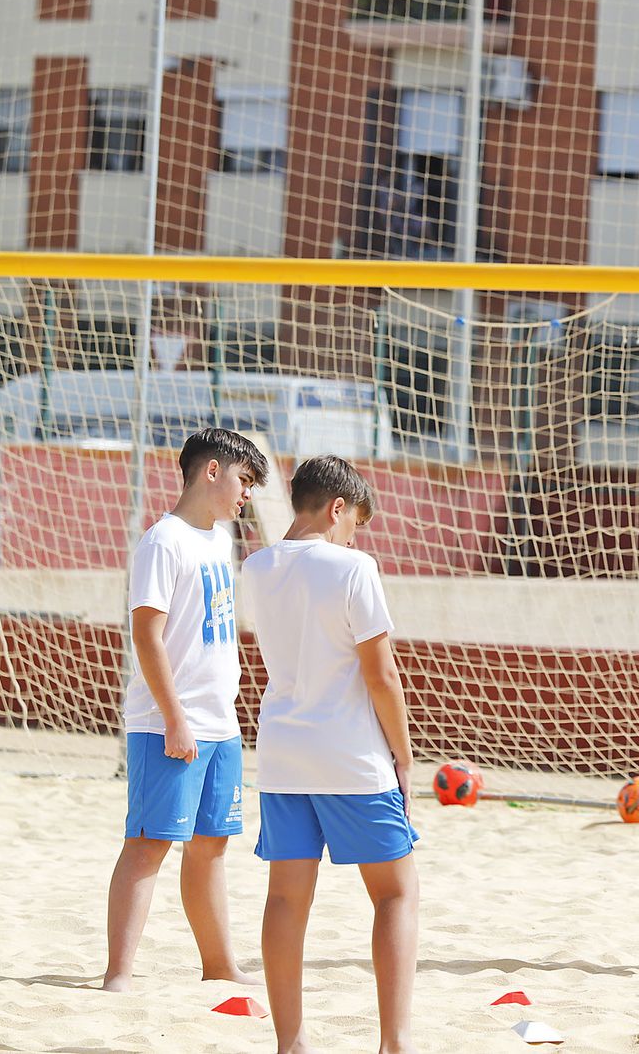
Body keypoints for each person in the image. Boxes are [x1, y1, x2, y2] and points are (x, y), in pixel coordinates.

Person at [244, 456, 419, 1054]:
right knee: (395, 893)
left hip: (282, 755)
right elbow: (382, 676)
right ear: (337, 507)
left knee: (284, 899)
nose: (355, 537)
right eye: (354, 523)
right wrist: (404, 755)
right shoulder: (353, 567)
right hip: (352, 757)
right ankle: (394, 1044)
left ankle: (290, 1045)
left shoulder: (257, 566)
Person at [102, 427, 269, 992]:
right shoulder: (163, 541)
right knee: (149, 844)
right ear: (211, 471)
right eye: (244, 480)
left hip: (221, 724)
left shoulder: (221, 540)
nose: (247, 493)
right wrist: (175, 718)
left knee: (211, 847)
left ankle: (219, 965)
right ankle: (118, 974)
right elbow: (146, 636)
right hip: (167, 724)